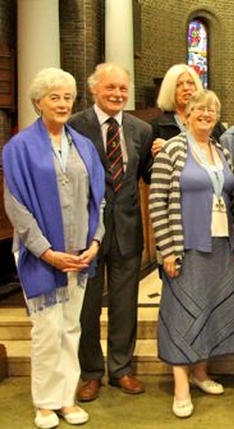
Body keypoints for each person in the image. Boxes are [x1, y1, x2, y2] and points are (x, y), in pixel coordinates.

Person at [3, 68, 105, 428]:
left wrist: (95, 242)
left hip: (79, 252)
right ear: (38, 103)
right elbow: (16, 205)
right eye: (54, 97)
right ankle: (44, 402)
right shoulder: (19, 147)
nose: (62, 104)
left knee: (71, 327)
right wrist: (46, 251)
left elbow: (98, 201)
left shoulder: (84, 145)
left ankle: (66, 397)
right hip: (41, 256)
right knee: (46, 329)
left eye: (67, 97)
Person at [150, 90, 234, 418]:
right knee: (181, 312)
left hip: (220, 244)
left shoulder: (221, 151)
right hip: (185, 244)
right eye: (199, 110)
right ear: (187, 115)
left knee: (212, 309)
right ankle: (180, 386)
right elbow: (157, 202)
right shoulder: (173, 150)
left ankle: (201, 373)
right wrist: (167, 249)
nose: (206, 114)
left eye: (211, 110)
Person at [69, 62, 153, 402]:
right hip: (85, 234)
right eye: (110, 88)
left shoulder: (140, 130)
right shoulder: (75, 127)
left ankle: (121, 369)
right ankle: (90, 372)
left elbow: (145, 174)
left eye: (122, 88)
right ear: (94, 90)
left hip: (127, 228)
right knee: (87, 306)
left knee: (124, 303)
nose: (118, 94)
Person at [151, 64, 226, 157]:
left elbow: (223, 155)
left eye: (190, 83)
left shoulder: (210, 122)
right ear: (170, 90)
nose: (186, 88)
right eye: (178, 84)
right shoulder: (158, 126)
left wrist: (170, 147)